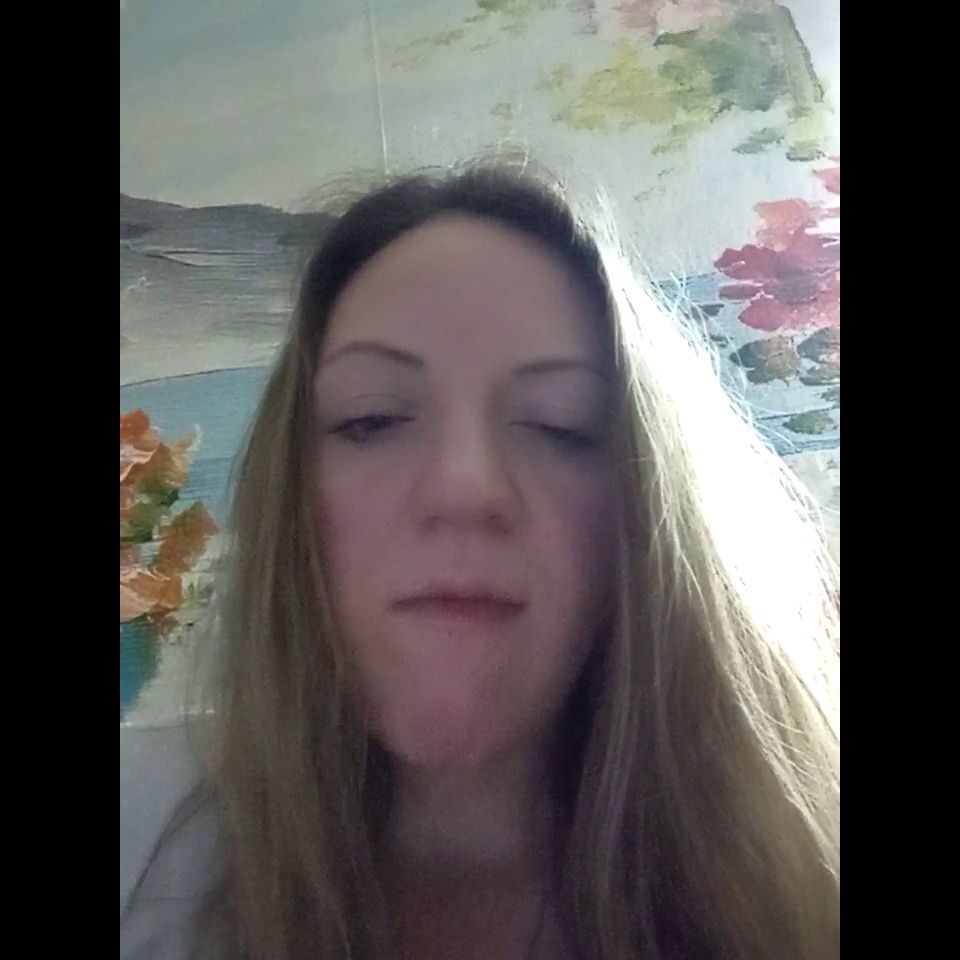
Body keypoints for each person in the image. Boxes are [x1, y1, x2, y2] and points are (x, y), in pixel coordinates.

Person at [120, 159, 840, 960]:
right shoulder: (140, 843)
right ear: (292, 500)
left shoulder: (809, 882)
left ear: (644, 514)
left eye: (559, 423)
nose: (465, 487)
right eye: (372, 419)